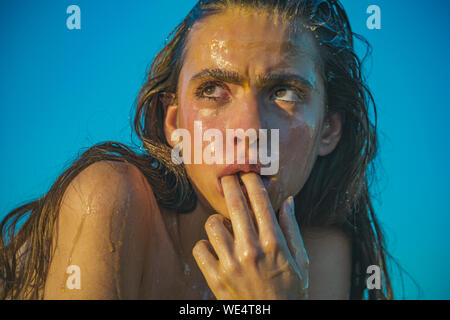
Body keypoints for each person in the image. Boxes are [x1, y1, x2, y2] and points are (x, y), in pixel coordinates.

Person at [0, 0, 393, 300]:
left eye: (284, 92)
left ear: (328, 129)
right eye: (212, 90)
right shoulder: (111, 201)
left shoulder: (319, 256)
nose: (249, 130)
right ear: (174, 123)